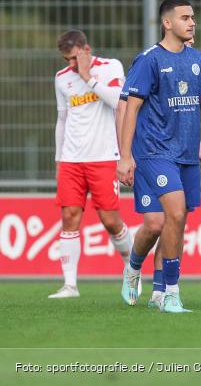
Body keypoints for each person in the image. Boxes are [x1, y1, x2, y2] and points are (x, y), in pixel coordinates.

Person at [117, 0, 201, 313]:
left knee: (170, 223)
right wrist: (125, 156)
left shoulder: (196, 60)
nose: (192, 22)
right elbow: (131, 108)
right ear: (167, 23)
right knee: (168, 216)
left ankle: (156, 288)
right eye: (185, 17)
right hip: (153, 152)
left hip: (184, 155)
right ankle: (167, 289)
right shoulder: (149, 60)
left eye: (193, 17)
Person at [50, 30, 132, 298]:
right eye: (67, 60)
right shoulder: (61, 79)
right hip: (72, 160)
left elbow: (119, 103)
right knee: (69, 217)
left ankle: (132, 270)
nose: (71, 65)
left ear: (87, 49)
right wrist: (58, 160)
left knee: (110, 221)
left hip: (104, 157)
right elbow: (62, 120)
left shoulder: (111, 67)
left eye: (74, 58)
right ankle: (70, 285)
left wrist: (88, 78)